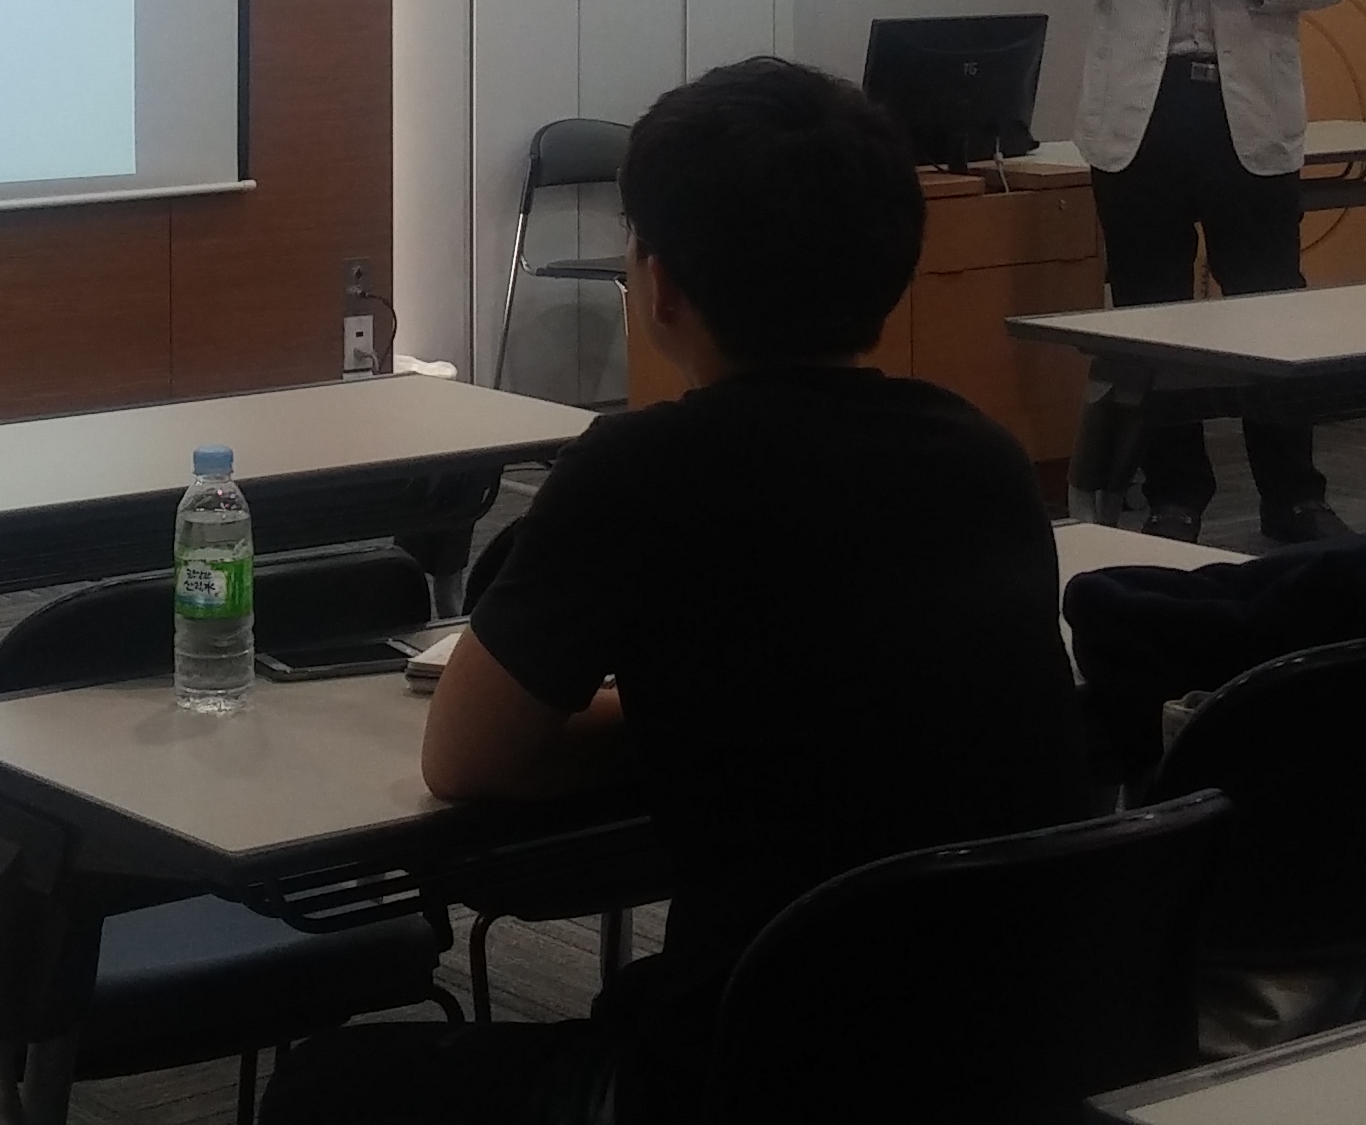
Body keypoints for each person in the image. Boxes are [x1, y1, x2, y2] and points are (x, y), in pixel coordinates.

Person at [261, 57, 1093, 1125]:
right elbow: (856, 695)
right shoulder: (983, 459)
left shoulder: (641, 472)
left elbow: (465, 758)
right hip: (1002, 1052)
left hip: (753, 1073)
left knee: (328, 1089)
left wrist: (650, 713)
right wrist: (699, 711)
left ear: (656, 285)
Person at [1021, 0, 1355, 545]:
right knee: (1150, 312)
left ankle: (1294, 493)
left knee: (1270, 305)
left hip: (1248, 109)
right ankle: (1175, 491)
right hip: (1141, 110)